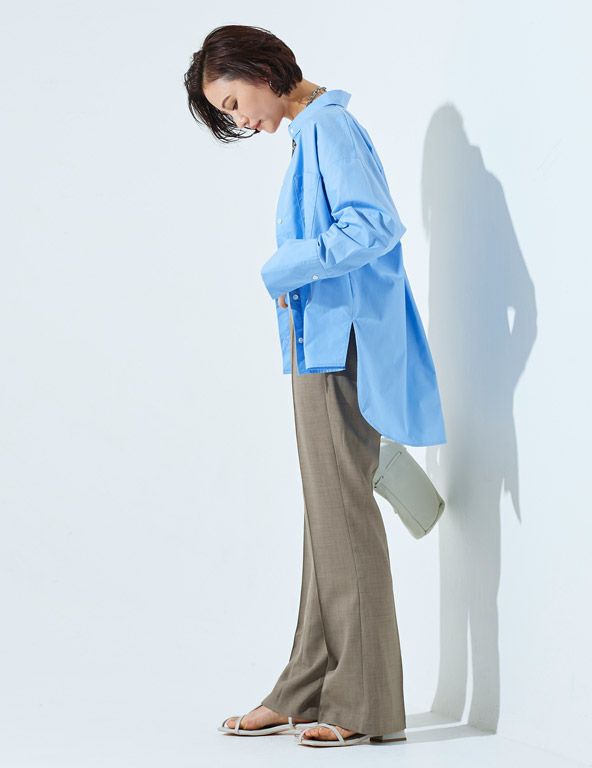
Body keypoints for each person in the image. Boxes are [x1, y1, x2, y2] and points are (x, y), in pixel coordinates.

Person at [184, 24, 447, 748]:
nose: (242, 120)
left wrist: (286, 266)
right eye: (228, 115)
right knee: (326, 519)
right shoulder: (312, 132)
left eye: (235, 103)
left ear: (262, 71)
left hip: (338, 346)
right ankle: (304, 685)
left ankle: (365, 703)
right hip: (319, 343)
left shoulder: (329, 128)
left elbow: (375, 227)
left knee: (343, 517)